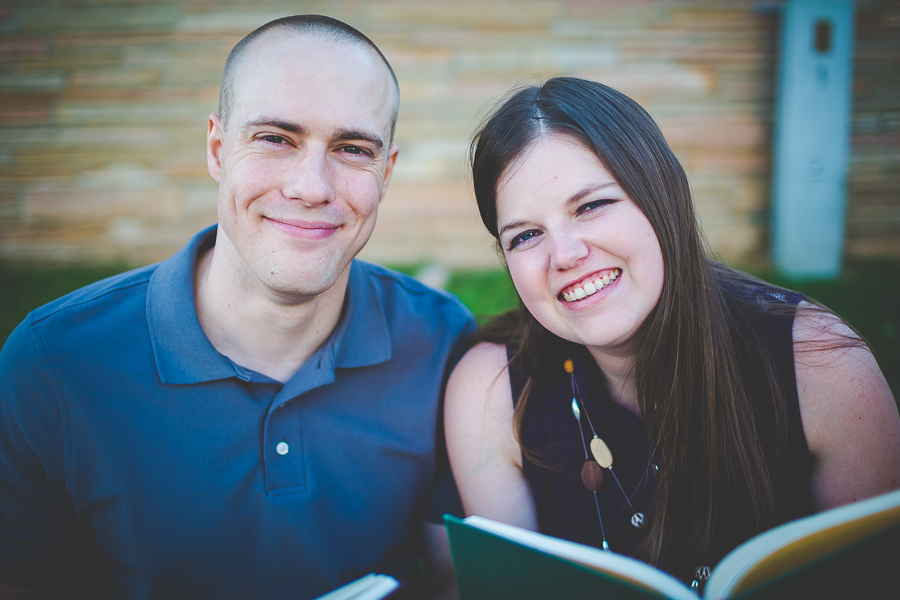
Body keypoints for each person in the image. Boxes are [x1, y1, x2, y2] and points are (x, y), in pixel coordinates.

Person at [0, 15, 474, 600]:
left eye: (353, 149)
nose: (312, 186)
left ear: (386, 172)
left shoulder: (443, 341)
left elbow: (457, 579)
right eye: (276, 138)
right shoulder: (52, 366)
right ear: (219, 149)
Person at [444, 76, 900, 587]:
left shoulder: (822, 367)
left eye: (591, 205)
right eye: (526, 235)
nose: (565, 255)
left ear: (663, 195)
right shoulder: (491, 393)